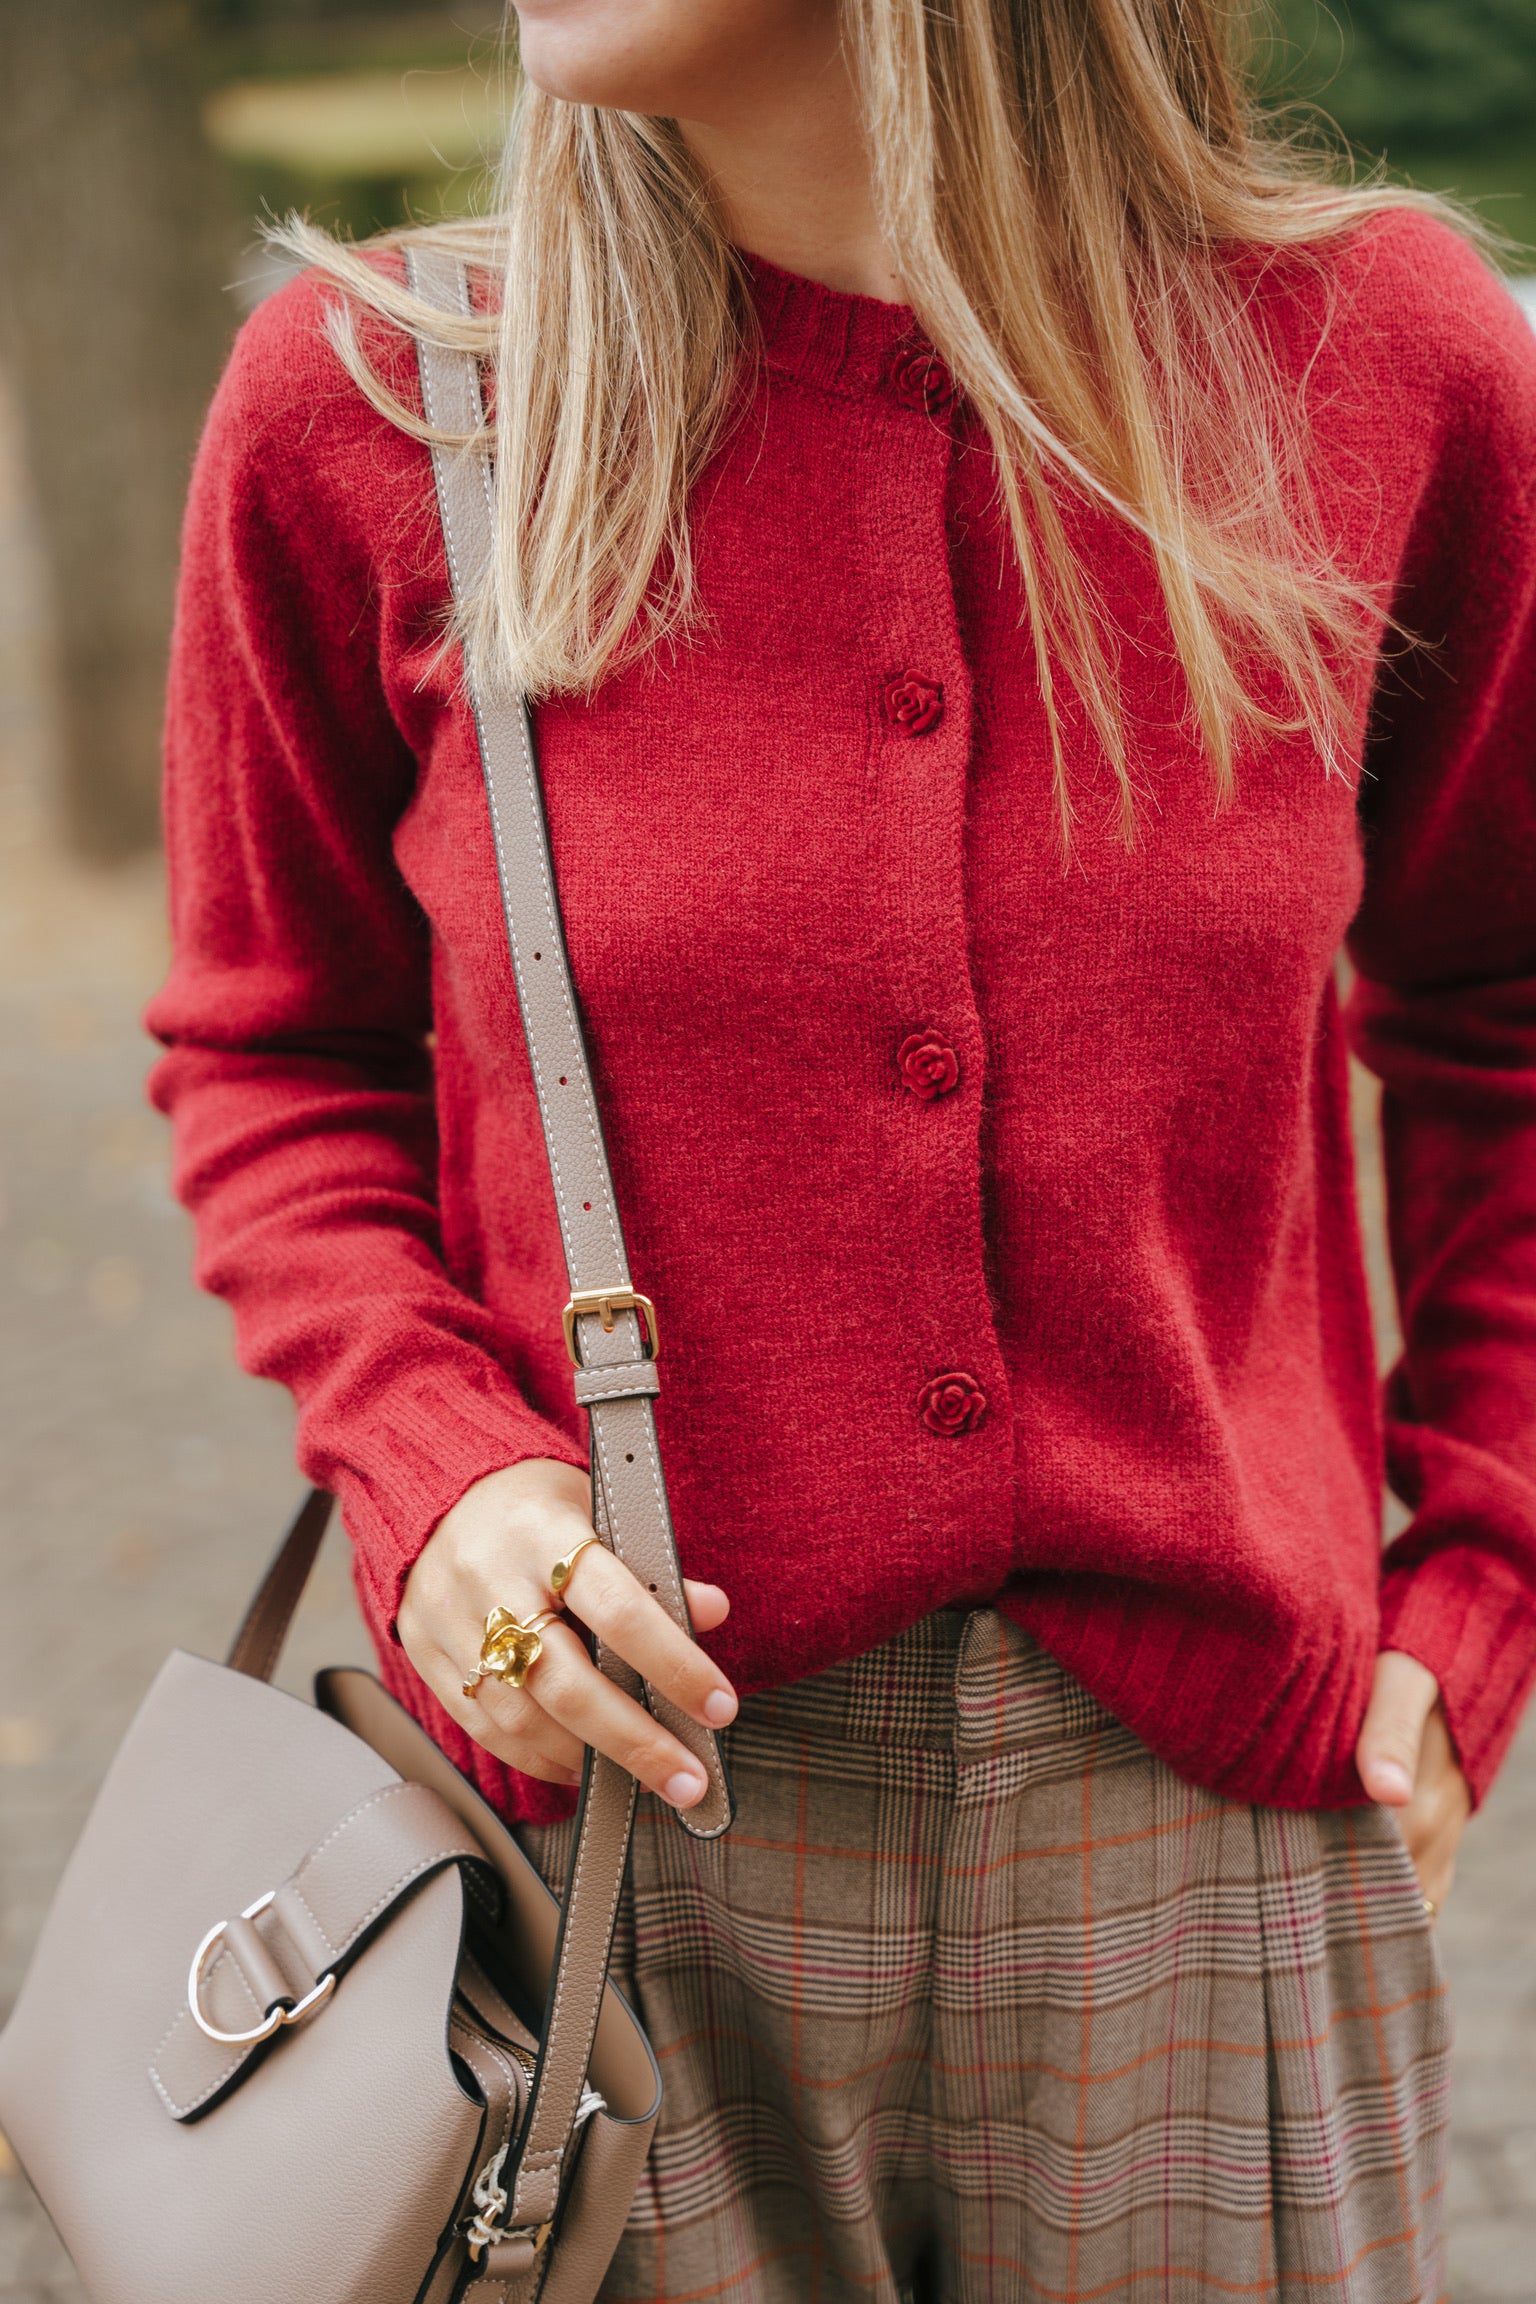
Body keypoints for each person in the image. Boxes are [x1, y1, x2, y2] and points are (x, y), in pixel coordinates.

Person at [147, 0, 1536, 2295]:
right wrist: (437, 1466)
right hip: (609, 1867)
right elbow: (277, 1047)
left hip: (1204, 1845)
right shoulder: (388, 406)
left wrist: (1480, 1584)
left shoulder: (1378, 368)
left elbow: (1505, 1014)